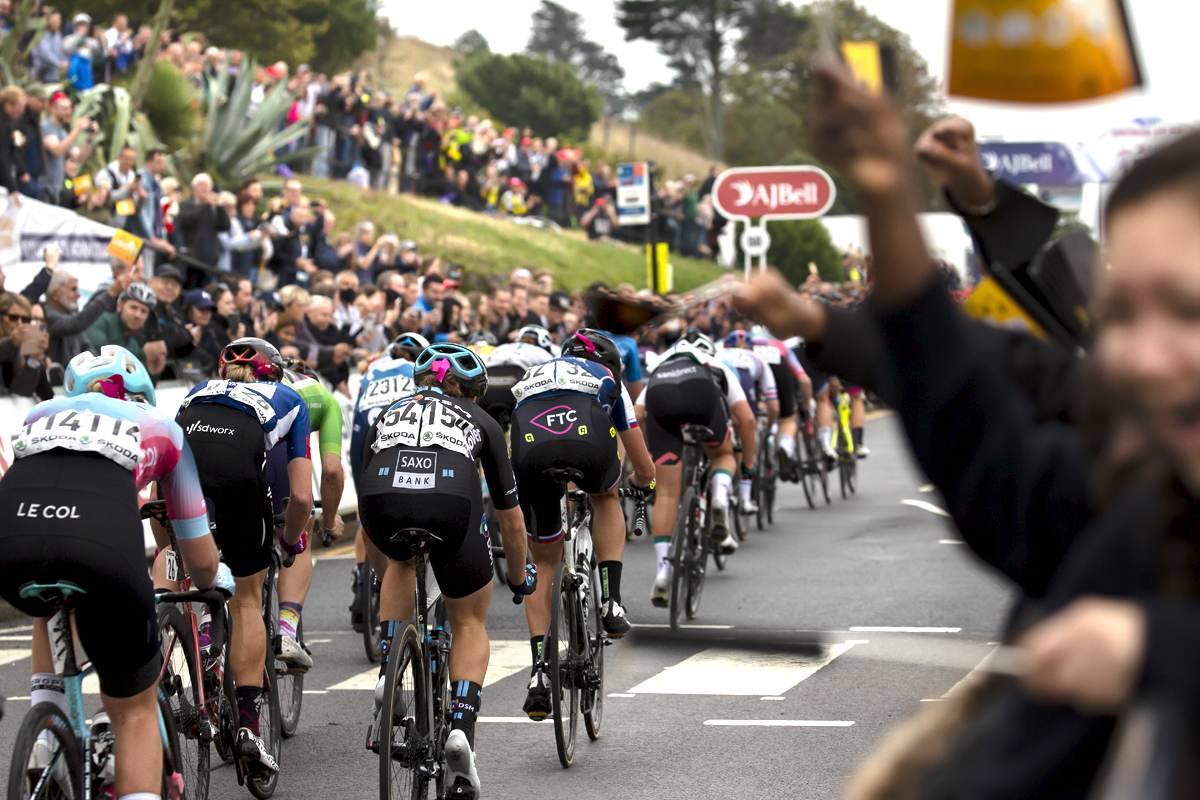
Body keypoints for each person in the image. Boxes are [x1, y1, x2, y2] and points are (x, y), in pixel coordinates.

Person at [0, 345, 231, 800]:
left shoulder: (40, 413)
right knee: (135, 712)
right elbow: (199, 560)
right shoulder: (163, 427)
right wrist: (213, 579)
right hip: (100, 537)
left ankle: (46, 738)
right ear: (143, 393)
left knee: (50, 589)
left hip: (14, 532)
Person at [359, 343, 535, 798]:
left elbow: (365, 513)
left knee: (400, 559)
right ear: (474, 394)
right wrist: (518, 578)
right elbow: (512, 521)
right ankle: (461, 726)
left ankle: (388, 674)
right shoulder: (482, 420)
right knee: (470, 621)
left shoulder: (387, 413)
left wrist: (383, 572)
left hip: (383, 501)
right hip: (451, 505)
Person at [176, 337, 312, 778]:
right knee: (248, 601)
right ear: (273, 371)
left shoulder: (197, 390)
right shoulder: (290, 395)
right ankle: (250, 728)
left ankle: (186, 651)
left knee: (176, 561)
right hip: (238, 479)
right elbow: (302, 496)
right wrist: (290, 543)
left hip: (184, 475)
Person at [511, 329, 655, 718]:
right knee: (606, 497)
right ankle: (610, 600)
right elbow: (640, 461)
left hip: (530, 452)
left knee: (543, 563)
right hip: (586, 446)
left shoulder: (533, 374)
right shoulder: (607, 379)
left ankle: (540, 672)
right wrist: (643, 482)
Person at [636, 332, 756, 591]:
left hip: (660, 394)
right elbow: (747, 421)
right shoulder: (715, 363)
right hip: (702, 393)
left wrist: (643, 456)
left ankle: (662, 572)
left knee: (667, 494)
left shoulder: (661, 364)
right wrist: (748, 467)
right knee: (723, 454)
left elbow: (637, 415)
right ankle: (720, 497)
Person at [268, 357, 345, 670]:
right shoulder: (322, 397)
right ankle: (287, 630)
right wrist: (328, 520)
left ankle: (209, 631)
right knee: (299, 535)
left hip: (227, 445)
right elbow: (332, 472)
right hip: (278, 456)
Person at [347, 332, 426, 628]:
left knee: (364, 509)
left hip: (363, 435)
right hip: (397, 433)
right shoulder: (420, 371)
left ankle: (360, 579)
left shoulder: (373, 369)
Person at [717, 329, 778, 513]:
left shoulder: (719, 354)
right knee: (747, 435)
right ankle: (745, 497)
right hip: (745, 382)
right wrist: (768, 429)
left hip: (718, 382)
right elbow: (773, 405)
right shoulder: (756, 357)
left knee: (720, 441)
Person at [45, 263, 139, 379]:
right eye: (73, 289)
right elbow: (76, 323)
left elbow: (87, 348)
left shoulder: (70, 315)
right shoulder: (45, 315)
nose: (78, 295)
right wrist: (111, 293)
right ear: (55, 294)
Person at [85, 282, 160, 368]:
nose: (138, 315)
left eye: (143, 311)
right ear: (119, 306)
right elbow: (99, 353)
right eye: (133, 307)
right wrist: (142, 354)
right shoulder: (101, 320)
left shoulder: (132, 342)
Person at [40, 94, 94, 202]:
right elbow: (57, 150)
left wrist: (90, 138)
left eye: (70, 108)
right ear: (52, 108)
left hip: (56, 190)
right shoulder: (45, 126)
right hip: (43, 187)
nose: (68, 112)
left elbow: (80, 158)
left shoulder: (64, 134)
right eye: (64, 109)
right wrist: (77, 130)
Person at [0, 293, 51, 399]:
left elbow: (22, 390)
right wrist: (12, 341)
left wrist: (34, 358)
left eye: (25, 320)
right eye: (13, 318)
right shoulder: (13, 342)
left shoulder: (16, 345)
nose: (19, 324)